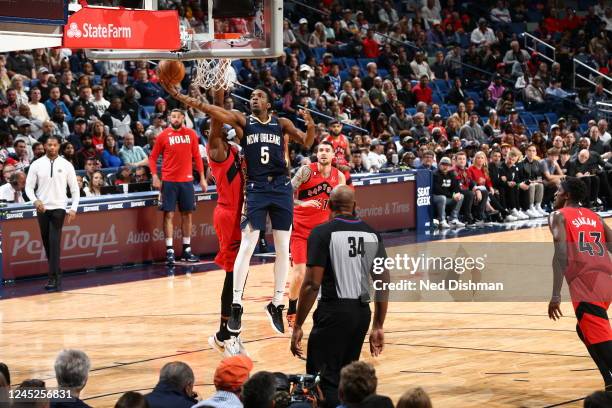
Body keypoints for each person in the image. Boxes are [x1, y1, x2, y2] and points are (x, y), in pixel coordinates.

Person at [161, 82, 314, 335]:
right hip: (251, 194)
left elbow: (306, 141)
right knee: (246, 247)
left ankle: (276, 303)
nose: (254, 98)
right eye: (252, 95)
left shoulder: (279, 124)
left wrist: (311, 125)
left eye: (260, 95)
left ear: (268, 103)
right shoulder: (239, 127)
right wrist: (184, 97)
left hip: (280, 187)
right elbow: (215, 111)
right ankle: (235, 307)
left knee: (283, 248)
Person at [290, 185, 388, 408]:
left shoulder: (322, 233)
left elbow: (311, 284)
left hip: (333, 313)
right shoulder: (372, 234)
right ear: (355, 207)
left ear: (329, 206)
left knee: (323, 383)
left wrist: (298, 325)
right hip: (362, 314)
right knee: (346, 378)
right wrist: (378, 325)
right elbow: (383, 282)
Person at [548, 177, 612, 391]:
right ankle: (608, 380)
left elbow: (560, 255)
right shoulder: (594, 216)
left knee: (605, 344)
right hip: (606, 282)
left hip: (586, 284)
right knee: (583, 329)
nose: (555, 194)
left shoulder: (558, 215)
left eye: (558, 190)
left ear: (566, 195)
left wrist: (556, 295)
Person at [205, 91, 247, 356]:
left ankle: (229, 332)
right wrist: (218, 99)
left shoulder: (236, 151)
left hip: (241, 215)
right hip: (228, 214)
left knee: (240, 276)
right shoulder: (217, 150)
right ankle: (224, 335)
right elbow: (217, 122)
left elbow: (245, 128)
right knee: (233, 275)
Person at [287, 141, 346, 328]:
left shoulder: (340, 177)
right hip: (300, 229)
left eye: (327, 150)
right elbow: (285, 193)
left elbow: (340, 207)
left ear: (333, 156)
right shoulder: (306, 171)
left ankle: (329, 311)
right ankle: (291, 309)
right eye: (320, 150)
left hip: (322, 233)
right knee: (300, 274)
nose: (323, 153)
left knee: (330, 275)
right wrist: (301, 204)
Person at [149, 109, 205, 265]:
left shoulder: (191, 134)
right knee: (169, 215)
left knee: (187, 215)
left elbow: (197, 156)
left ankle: (186, 249)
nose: (175, 119)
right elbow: (152, 158)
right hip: (169, 181)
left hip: (187, 181)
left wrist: (202, 178)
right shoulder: (163, 136)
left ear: (182, 118)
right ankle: (170, 251)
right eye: (172, 116)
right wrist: (155, 176)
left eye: (177, 116)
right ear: (169, 118)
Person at [25, 136, 79, 291]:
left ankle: (53, 279)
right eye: (49, 145)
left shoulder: (66, 165)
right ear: (44, 146)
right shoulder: (36, 164)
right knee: (47, 243)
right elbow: (29, 187)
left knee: (54, 242)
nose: (52, 148)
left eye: (55, 145)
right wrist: (35, 201)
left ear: (59, 146)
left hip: (59, 208)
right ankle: (57, 272)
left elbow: (74, 189)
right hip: (42, 209)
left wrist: (73, 208)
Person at [432, 156, 464, 228]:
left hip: (448, 197)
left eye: (447, 165)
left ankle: (453, 219)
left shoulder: (452, 174)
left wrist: (456, 194)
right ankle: (441, 220)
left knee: (461, 196)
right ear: (439, 165)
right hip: (436, 197)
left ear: (450, 166)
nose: (445, 167)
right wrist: (452, 195)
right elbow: (437, 190)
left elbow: (456, 187)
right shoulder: (435, 174)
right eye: (443, 164)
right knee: (442, 197)